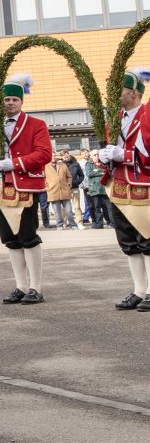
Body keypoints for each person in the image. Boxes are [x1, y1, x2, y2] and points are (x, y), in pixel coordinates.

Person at [0, 74, 53, 305]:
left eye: (14, 99)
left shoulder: (36, 124)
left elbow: (44, 154)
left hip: (25, 186)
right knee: (10, 239)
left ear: (22, 102)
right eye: (6, 99)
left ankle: (36, 288)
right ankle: (21, 286)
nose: (10, 103)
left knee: (28, 236)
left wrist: (14, 163)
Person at [100, 69, 150, 311]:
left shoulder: (147, 114)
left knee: (148, 238)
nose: (113, 95)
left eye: (118, 90)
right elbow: (111, 150)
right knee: (128, 241)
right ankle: (139, 290)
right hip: (118, 185)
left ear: (133, 92)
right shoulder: (115, 118)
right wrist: (103, 156)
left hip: (143, 184)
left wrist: (126, 155)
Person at [45, 153, 76, 229]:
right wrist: (47, 188)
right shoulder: (45, 167)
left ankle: (73, 225)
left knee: (69, 210)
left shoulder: (62, 165)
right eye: (51, 156)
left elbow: (69, 176)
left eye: (54, 156)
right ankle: (59, 225)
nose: (53, 157)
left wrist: (69, 184)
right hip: (53, 191)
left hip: (65, 190)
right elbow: (43, 179)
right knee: (57, 211)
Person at [86, 150, 114, 228]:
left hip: (105, 188)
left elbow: (108, 172)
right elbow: (89, 174)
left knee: (109, 207)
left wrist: (97, 171)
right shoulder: (89, 164)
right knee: (97, 207)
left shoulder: (103, 163)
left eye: (98, 154)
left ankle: (111, 222)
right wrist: (101, 172)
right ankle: (99, 224)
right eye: (94, 155)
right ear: (91, 156)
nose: (97, 156)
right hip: (95, 188)